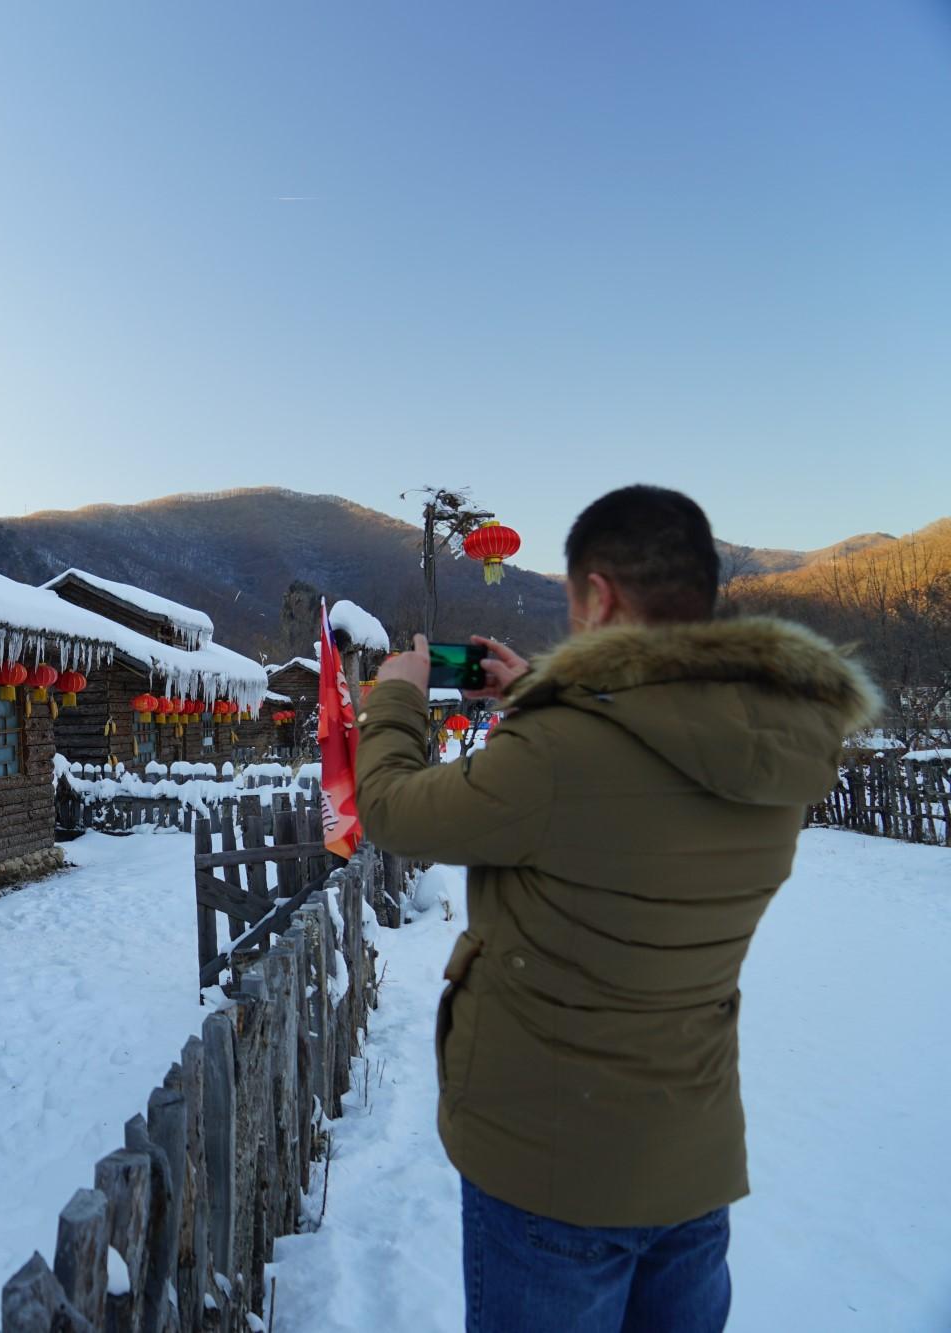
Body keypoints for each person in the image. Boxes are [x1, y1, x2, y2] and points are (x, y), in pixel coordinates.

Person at [357, 486, 879, 1333]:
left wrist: (399, 696)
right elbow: (644, 758)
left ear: (598, 596)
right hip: (693, 1163)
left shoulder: (556, 756)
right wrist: (546, 694)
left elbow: (390, 809)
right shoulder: (777, 751)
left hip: (550, 1168)